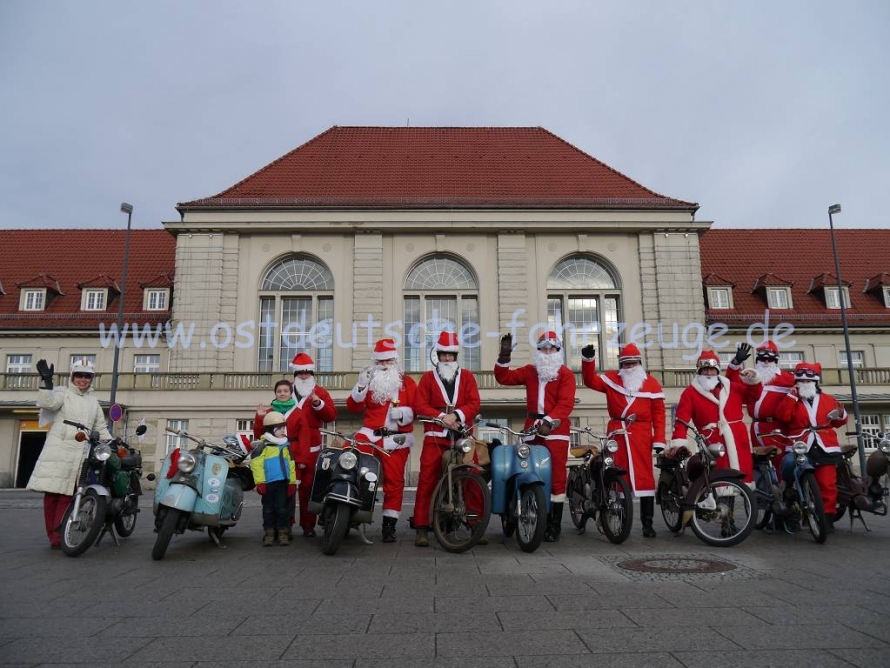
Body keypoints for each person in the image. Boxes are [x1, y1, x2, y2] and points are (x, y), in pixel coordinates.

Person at [494, 330, 576, 542]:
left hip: (556, 431)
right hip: (531, 428)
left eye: (551, 348)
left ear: (558, 351)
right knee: (523, 468)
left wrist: (550, 421)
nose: (547, 352)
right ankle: (518, 508)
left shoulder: (566, 374)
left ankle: (553, 525)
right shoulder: (531, 371)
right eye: (543, 348)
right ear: (538, 351)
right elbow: (503, 377)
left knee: (557, 477)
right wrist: (504, 357)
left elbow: (565, 404)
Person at [581, 343, 666, 538]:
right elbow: (590, 380)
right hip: (617, 433)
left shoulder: (652, 384)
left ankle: (647, 524)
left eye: (633, 364)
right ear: (621, 365)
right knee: (616, 476)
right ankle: (619, 518)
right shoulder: (612, 380)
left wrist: (659, 440)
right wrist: (588, 360)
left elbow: (659, 415)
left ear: (640, 363)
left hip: (641, 435)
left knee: (645, 479)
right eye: (625, 364)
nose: (629, 367)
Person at [28, 357, 113, 549]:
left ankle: (59, 533)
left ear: (91, 379)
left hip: (80, 454)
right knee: (52, 495)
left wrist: (110, 443)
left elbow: (101, 426)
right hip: (58, 451)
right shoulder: (63, 394)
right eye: (79, 375)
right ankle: (52, 534)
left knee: (68, 495)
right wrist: (47, 382)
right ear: (73, 377)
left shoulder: (93, 402)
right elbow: (47, 403)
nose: (83, 379)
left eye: (87, 376)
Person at [413, 331, 482, 547]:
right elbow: (420, 405)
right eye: (444, 355)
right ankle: (422, 527)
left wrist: (457, 415)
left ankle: (476, 524)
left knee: (472, 473)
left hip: (462, 435)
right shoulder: (426, 378)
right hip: (435, 434)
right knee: (427, 478)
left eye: (451, 355)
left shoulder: (468, 377)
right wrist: (443, 417)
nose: (448, 359)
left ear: (456, 356)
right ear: (438, 355)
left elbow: (474, 402)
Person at [346, 338, 417, 543]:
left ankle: (389, 525)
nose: (385, 365)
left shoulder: (407, 383)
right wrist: (360, 386)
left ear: (395, 361)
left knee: (395, 483)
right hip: (368, 435)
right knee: (350, 466)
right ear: (375, 363)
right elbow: (353, 407)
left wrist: (403, 414)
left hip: (396, 440)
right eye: (381, 362)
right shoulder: (369, 381)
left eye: (388, 361)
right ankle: (348, 512)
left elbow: (418, 408)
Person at [670, 349, 760, 485]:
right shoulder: (690, 393)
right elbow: (681, 420)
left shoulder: (732, 387)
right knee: (716, 477)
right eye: (704, 369)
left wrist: (752, 380)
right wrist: (679, 441)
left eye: (712, 369)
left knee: (742, 477)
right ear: (699, 371)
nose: (708, 373)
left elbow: (753, 396)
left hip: (737, 437)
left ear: (717, 370)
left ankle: (745, 500)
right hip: (711, 439)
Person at [776, 362, 848, 532]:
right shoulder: (791, 399)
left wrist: (840, 414)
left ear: (815, 382)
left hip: (825, 445)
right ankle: (791, 511)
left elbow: (840, 421)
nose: (804, 384)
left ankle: (827, 518)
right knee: (792, 480)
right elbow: (783, 416)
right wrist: (792, 396)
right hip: (799, 444)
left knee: (827, 484)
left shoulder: (829, 399)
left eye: (808, 381)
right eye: (800, 380)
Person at [288, 352, 337, 537]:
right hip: (290, 445)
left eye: (307, 372)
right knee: (288, 486)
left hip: (312, 446)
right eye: (300, 373)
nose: (304, 376)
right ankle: (286, 524)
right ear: (295, 374)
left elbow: (331, 415)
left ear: (313, 374)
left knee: (309, 486)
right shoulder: (286, 390)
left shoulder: (320, 392)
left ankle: (308, 526)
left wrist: (318, 404)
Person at [250, 411, 298, 546]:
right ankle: (269, 533)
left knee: (282, 509)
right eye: (280, 428)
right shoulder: (263, 446)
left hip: (283, 483)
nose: (283, 430)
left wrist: (292, 483)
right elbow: (257, 464)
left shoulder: (285, 446)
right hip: (268, 484)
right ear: (271, 430)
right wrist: (260, 482)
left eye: (284, 428)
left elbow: (291, 465)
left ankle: (283, 533)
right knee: (268, 509)